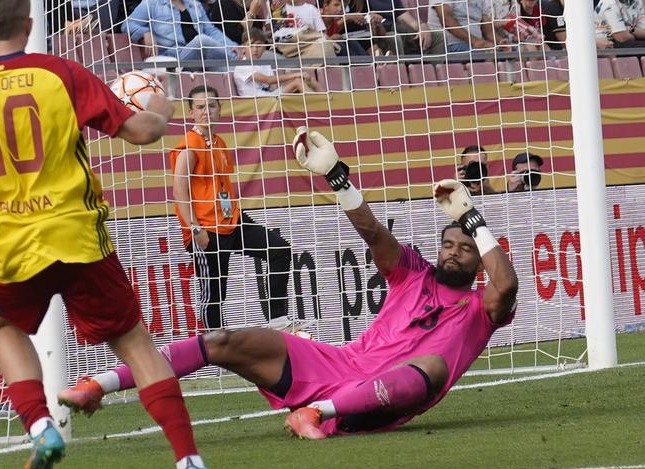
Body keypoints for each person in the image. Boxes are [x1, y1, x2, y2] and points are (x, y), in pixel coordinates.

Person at [0, 1, 223, 469]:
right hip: (77, 236)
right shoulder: (58, 72)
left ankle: (40, 427)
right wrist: (162, 108)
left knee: (5, 325)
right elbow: (141, 132)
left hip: (8, 243)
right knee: (135, 343)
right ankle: (190, 464)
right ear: (31, 24)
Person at [60, 128, 519, 440]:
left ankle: (316, 414)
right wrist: (337, 176)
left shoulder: (482, 309)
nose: (453, 251)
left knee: (430, 370)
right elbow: (373, 233)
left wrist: (471, 219)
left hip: (370, 403)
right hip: (334, 364)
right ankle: (97, 384)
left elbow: (507, 285)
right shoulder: (412, 273)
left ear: (478, 257)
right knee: (224, 339)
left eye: (465, 247)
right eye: (448, 243)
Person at [169, 85, 297, 331]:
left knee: (279, 249)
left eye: (212, 105)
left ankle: (278, 320)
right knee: (215, 293)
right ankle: (215, 346)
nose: (207, 111)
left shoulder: (219, 143)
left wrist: (229, 215)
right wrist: (196, 230)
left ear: (220, 109)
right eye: (200, 107)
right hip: (205, 229)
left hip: (230, 222)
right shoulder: (188, 147)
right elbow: (179, 193)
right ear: (191, 113)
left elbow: (222, 187)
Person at [122, 0, 238, 64]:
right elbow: (127, 24)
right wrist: (145, 32)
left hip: (201, 57)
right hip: (176, 58)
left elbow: (211, 31)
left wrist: (234, 47)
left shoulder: (194, 5)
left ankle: (239, 62)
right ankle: (237, 58)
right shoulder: (151, 4)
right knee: (201, 41)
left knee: (226, 67)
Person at [233, 28, 318, 96]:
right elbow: (268, 80)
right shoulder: (242, 66)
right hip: (256, 102)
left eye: (258, 45)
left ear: (264, 48)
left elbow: (273, 87)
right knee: (297, 82)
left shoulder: (264, 65)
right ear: (243, 48)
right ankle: (320, 109)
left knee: (308, 81)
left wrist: (293, 81)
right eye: (251, 46)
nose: (255, 49)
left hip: (269, 96)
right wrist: (296, 75)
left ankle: (327, 104)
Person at [429, 0, 501, 52]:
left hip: (474, 46)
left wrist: (500, 42)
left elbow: (488, 31)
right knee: (488, 54)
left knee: (509, 52)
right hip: (450, 45)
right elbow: (447, 20)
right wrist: (476, 42)